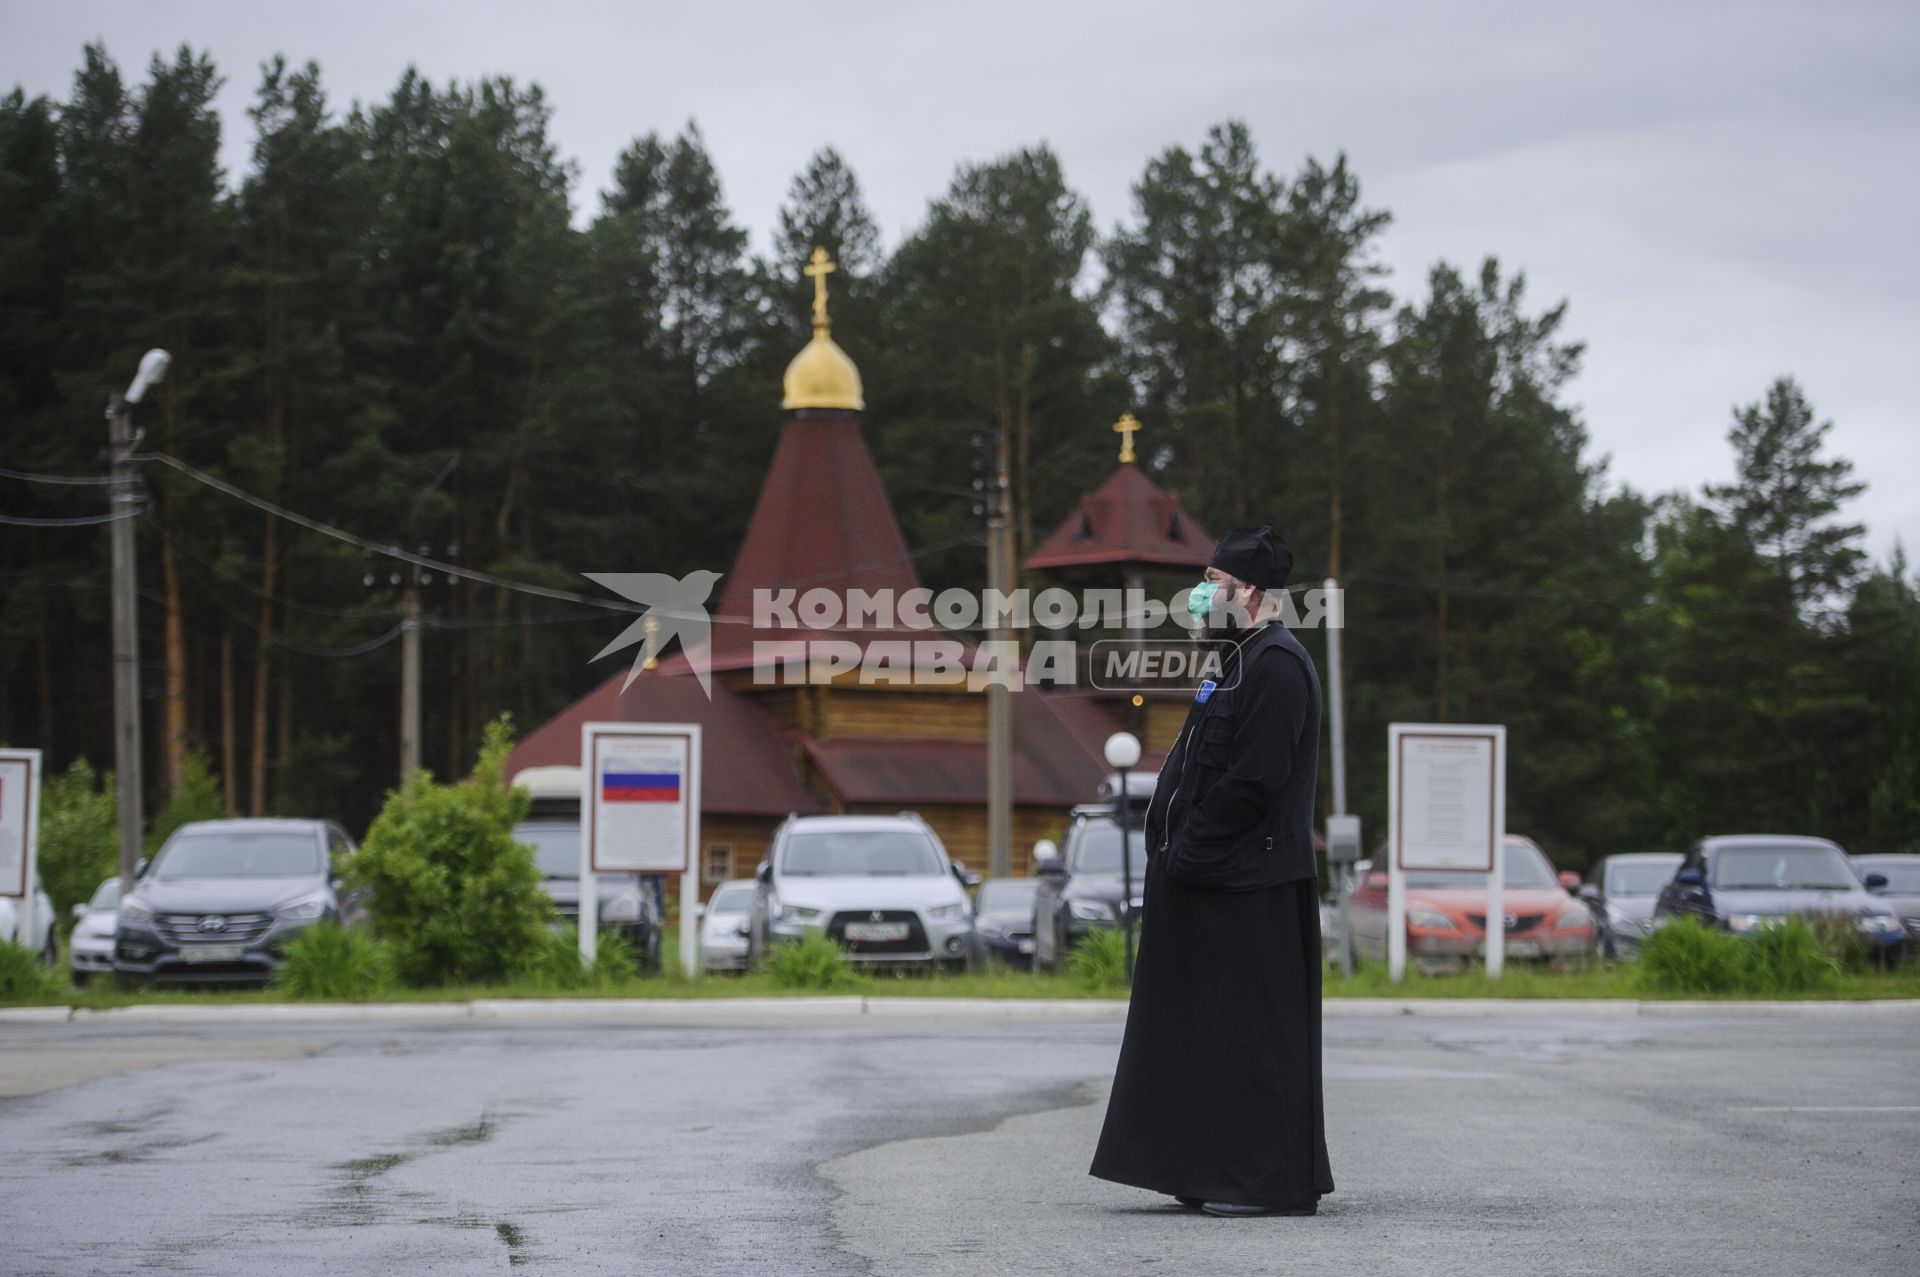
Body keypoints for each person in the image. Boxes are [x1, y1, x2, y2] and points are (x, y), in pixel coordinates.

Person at [1088, 525, 1334, 1218]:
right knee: (1201, 1037)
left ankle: (1268, 1178)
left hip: (1248, 889)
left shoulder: (1277, 664)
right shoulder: (1235, 660)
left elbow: (1256, 780)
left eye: (1212, 583)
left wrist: (1188, 850)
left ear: (1249, 592)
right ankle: (1196, 1167)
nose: (1199, 596)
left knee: (1254, 1042)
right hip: (1209, 883)